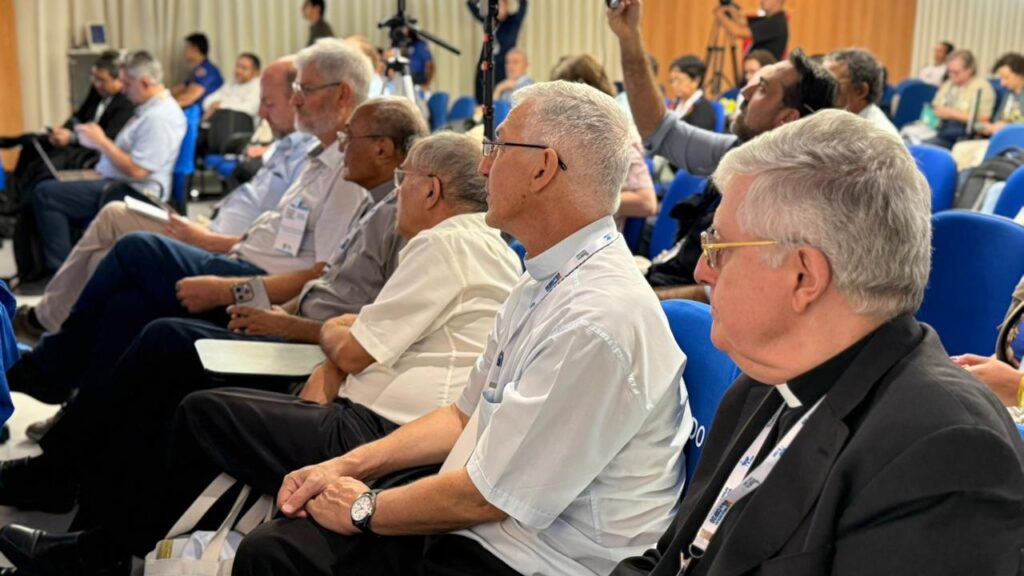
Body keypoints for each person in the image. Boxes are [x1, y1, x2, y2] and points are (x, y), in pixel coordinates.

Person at [0, 132, 526, 576]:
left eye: (403, 181)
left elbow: (355, 342)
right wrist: (337, 343)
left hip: (379, 425)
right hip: (374, 409)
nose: (398, 194)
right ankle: (90, 515)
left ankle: (103, 549)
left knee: (198, 408)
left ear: (430, 189)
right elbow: (353, 332)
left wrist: (333, 344)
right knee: (158, 339)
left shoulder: (447, 242)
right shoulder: (480, 247)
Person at [223, 80, 690, 576]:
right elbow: (462, 418)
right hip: (493, 527)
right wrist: (346, 466)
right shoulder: (544, 278)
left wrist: (363, 508)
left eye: (498, 146)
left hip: (536, 559)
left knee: (278, 555)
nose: (484, 165)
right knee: (281, 544)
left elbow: (494, 497)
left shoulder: (598, 316)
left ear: (542, 167)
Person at [614, 108, 1024, 576]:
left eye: (717, 248)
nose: (702, 271)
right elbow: (677, 560)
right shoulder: (763, 381)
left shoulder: (945, 452)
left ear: (804, 276)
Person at [0, 97, 427, 521]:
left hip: (304, 345)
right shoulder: (373, 201)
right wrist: (265, 306)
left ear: (383, 148)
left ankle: (66, 454)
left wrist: (254, 303)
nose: (341, 146)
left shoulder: (398, 216)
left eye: (349, 138)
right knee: (129, 309)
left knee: (153, 304)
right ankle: (66, 471)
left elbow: (361, 319)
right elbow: (324, 285)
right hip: (281, 310)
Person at [4, 39, 372, 409]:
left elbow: (319, 274)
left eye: (304, 91)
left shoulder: (347, 169)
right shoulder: (317, 158)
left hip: (251, 280)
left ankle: (47, 365)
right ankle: (71, 427)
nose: (295, 101)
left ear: (342, 95)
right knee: (125, 307)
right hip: (238, 256)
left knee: (135, 247)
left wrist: (229, 289)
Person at [12, 57, 313, 345]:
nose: (260, 112)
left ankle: (48, 325)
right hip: (209, 228)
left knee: (103, 215)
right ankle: (59, 333)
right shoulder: (283, 148)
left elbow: (139, 170)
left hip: (213, 239)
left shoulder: (310, 162)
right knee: (96, 245)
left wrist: (210, 238)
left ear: (297, 100)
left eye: (268, 103)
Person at [607, 0, 836, 299]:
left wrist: (640, 300)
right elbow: (660, 130)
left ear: (787, 118)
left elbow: (729, 293)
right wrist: (629, 37)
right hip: (661, 288)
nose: (744, 91)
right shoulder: (743, 151)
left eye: (762, 88)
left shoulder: (788, 196)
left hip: (679, 313)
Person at [30, 51, 187, 277]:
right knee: (47, 182)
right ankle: (55, 268)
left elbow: (138, 170)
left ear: (144, 82)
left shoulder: (160, 118)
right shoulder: (148, 110)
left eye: (127, 83)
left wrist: (101, 142)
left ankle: (62, 273)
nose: (122, 88)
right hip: (116, 182)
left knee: (46, 194)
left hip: (134, 192)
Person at [0, 50, 134, 202]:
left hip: (90, 151)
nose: (97, 84)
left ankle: (19, 204)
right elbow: (79, 116)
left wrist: (71, 138)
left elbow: (109, 139)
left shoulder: (126, 103)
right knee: (31, 144)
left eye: (102, 80)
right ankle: (11, 192)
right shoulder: (98, 91)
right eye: (95, 78)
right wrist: (63, 130)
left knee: (43, 164)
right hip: (76, 138)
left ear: (119, 80)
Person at [550, 53, 657, 227]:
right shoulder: (570, 133)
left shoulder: (619, 136)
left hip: (593, 241)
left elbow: (646, 202)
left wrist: (582, 200)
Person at [907, 49, 996, 149]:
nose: (952, 76)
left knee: (920, 148)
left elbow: (983, 119)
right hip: (939, 129)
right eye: (949, 72)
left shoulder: (982, 88)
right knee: (908, 140)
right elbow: (935, 105)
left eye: (956, 72)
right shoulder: (949, 84)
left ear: (970, 70)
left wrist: (951, 113)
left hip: (961, 137)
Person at [951, 52, 1024, 170]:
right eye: (1001, 78)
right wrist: (988, 127)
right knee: (960, 149)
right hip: (999, 139)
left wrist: (1006, 127)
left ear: (1020, 75)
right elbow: (997, 121)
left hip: (1015, 145)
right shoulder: (1009, 95)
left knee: (978, 157)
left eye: (1006, 77)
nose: (1002, 83)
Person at [824, 48, 897, 135]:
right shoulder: (840, 120)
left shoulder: (877, 137)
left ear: (860, 91)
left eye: (831, 83)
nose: (823, 89)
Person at [468, 0, 529, 102]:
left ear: (506, 6)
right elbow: (471, 4)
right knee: (481, 100)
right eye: (495, 6)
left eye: (500, 5)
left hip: (502, 69)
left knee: (501, 102)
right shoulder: (489, 21)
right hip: (485, 67)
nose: (497, 9)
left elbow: (524, 4)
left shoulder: (513, 21)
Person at [715, 0, 788, 62]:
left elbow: (738, 32)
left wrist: (720, 14)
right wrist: (730, 8)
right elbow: (742, 21)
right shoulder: (768, 19)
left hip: (763, 73)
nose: (762, 1)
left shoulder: (776, 23)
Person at [201, 52, 262, 124]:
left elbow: (248, 109)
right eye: (237, 66)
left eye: (244, 68)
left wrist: (221, 105)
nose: (238, 71)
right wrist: (214, 106)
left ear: (256, 72)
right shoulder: (231, 83)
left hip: (242, 128)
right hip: (222, 124)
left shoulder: (259, 86)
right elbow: (207, 101)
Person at [171, 33, 224, 108]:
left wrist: (166, 106)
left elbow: (188, 98)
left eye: (187, 48)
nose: (185, 52)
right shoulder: (197, 71)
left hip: (201, 115)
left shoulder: (208, 71)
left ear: (195, 49)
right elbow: (181, 88)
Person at [668, 55, 717, 132]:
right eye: (672, 81)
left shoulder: (703, 109)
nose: (674, 85)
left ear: (695, 81)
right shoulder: (676, 103)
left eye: (679, 81)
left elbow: (699, 140)